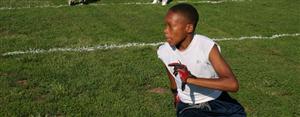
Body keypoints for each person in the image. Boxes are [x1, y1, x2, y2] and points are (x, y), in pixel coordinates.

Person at [157, 3, 246, 116]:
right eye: (166, 26)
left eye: (170, 26)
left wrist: (190, 79)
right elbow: (171, 72)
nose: (165, 30)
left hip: (218, 101)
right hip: (190, 106)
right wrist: (175, 94)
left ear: (189, 28)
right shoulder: (164, 51)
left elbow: (232, 84)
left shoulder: (206, 46)